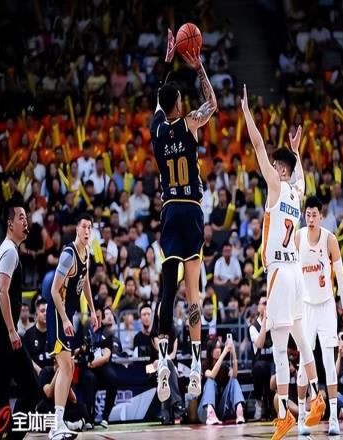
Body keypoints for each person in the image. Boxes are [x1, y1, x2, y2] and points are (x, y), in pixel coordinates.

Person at [241, 84, 325, 439]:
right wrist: (297, 151)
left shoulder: (276, 188)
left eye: (278, 165)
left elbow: (258, 146)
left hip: (278, 271)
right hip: (296, 273)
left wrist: (247, 113)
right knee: (301, 340)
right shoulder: (297, 191)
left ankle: (284, 416)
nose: (273, 167)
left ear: (281, 171)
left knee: (278, 347)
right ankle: (317, 396)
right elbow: (302, 176)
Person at [150, 31, 217, 402]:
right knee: (193, 295)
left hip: (169, 210)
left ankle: (163, 361)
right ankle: (194, 363)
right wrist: (198, 66)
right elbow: (213, 103)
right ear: (178, 104)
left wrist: (167, 62)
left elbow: (159, 101)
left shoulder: (157, 130)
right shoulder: (190, 122)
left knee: (167, 291)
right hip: (191, 210)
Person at [0, 199, 39, 439]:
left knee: (2, 385)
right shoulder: (10, 252)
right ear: (10, 223)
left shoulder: (2, 250)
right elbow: (2, 291)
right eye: (21, 217)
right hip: (5, 331)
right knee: (32, 388)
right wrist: (12, 330)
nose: (26, 221)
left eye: (26, 217)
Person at [295, 196, 343, 435]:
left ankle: (333, 419)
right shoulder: (297, 237)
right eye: (307, 215)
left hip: (327, 306)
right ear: (305, 216)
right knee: (303, 363)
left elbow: (341, 277)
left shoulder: (330, 239)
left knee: (329, 362)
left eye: (314, 215)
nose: (310, 219)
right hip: (305, 307)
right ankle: (301, 416)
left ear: (321, 216)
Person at [47, 213, 100, 439]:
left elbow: (85, 282)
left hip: (67, 314)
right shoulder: (69, 254)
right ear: (77, 229)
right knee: (66, 367)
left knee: (67, 369)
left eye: (90, 227)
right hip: (58, 313)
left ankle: (58, 423)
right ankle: (56, 425)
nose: (87, 231)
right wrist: (65, 319)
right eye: (84, 227)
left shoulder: (87, 253)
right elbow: (53, 290)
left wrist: (93, 310)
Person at [198, 337, 245, 425]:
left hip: (219, 411)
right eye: (215, 348)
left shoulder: (224, 368)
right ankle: (210, 413)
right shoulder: (204, 366)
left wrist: (233, 352)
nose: (218, 350)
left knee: (234, 380)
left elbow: (235, 374)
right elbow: (212, 374)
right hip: (204, 411)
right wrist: (224, 353)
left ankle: (239, 410)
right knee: (210, 381)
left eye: (219, 347)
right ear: (210, 351)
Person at [248, 296, 275, 421]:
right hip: (260, 360)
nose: (266, 306)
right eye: (264, 303)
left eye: (268, 303)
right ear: (258, 307)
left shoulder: (274, 323)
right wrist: (264, 321)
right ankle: (259, 403)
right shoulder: (253, 327)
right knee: (259, 368)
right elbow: (259, 344)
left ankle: (275, 405)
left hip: (273, 360)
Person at [23, 298, 52, 375]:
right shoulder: (28, 335)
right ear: (36, 314)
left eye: (47, 311)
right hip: (35, 374)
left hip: (52, 373)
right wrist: (40, 371)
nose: (45, 314)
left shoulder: (54, 333)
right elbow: (27, 358)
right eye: (42, 311)